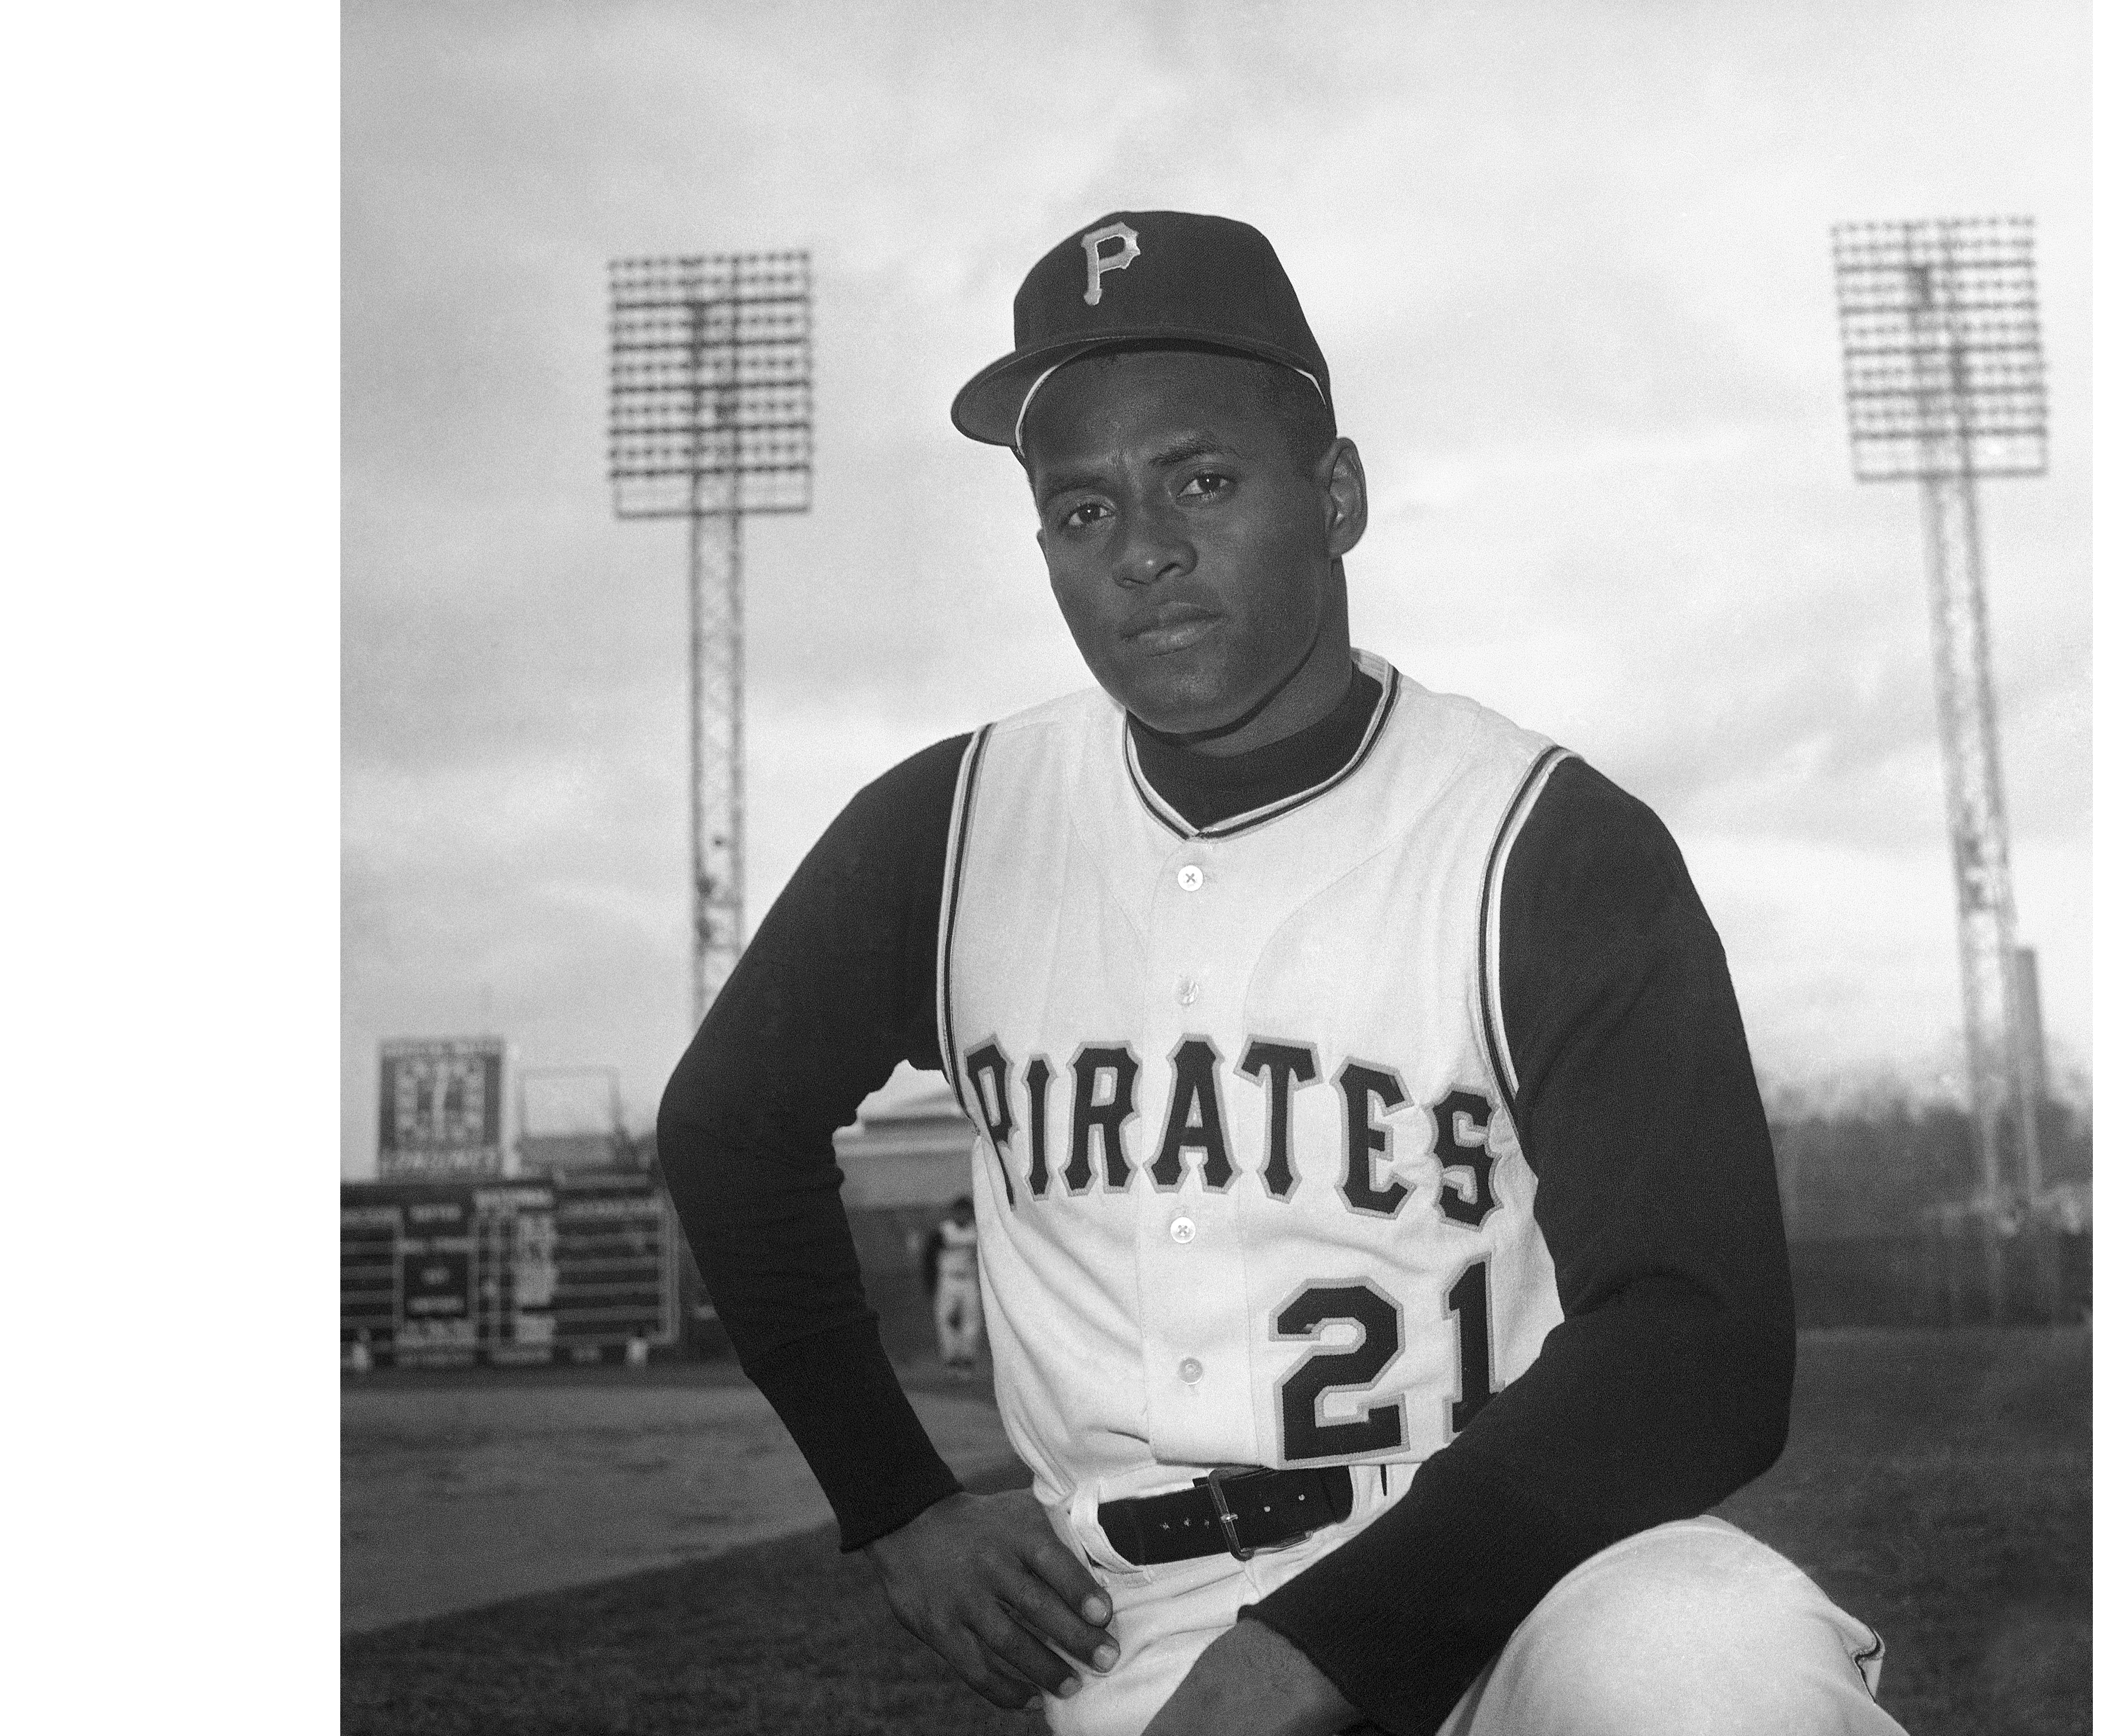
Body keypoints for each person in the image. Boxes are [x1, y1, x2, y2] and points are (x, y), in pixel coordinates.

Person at [659, 211, 1903, 1736]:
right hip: (1136, 1618)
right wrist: (896, 1501)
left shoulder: (1544, 843)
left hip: (1525, 1574)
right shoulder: (956, 825)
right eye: (1083, 510)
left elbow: (1699, 1335)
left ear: (1337, 496)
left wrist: (1314, 1647)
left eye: (1201, 476)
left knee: (1714, 1662)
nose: (1148, 552)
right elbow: (727, 1126)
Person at [920, 1193, 985, 1371]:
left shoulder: (977, 1231)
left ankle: (967, 1360)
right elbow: (929, 1258)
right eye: (960, 1211)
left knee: (972, 1320)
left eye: (966, 1211)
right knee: (946, 1319)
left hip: (969, 1280)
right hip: (948, 1280)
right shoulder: (944, 1231)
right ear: (954, 1212)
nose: (963, 1215)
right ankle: (952, 1360)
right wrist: (931, 1283)